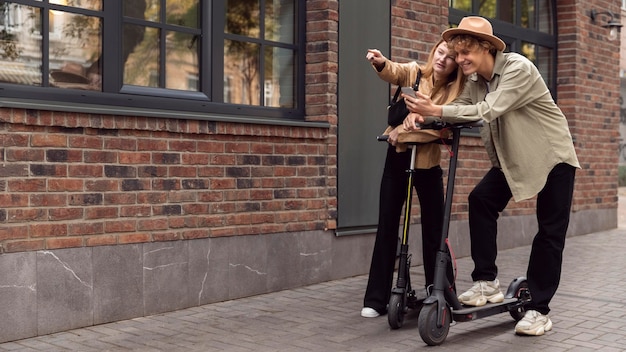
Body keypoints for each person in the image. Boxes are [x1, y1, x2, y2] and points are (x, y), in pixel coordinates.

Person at [403, 16, 580, 336]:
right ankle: (486, 282)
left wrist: (438, 112)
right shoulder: (475, 81)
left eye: (466, 52)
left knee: (549, 234)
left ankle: (539, 310)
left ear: (487, 48)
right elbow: (458, 108)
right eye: (457, 54)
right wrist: (423, 118)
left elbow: (487, 110)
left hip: (553, 157)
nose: (460, 60)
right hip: (512, 159)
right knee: (481, 199)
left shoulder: (517, 69)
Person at [361, 39, 465, 318]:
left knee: (434, 231)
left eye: (451, 56)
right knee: (387, 225)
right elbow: (394, 71)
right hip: (397, 159)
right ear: (434, 53)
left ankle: (439, 291)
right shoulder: (417, 73)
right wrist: (381, 62)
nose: (443, 59)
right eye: (441, 52)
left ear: (457, 64)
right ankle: (375, 298)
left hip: (428, 163)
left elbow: (445, 131)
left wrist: (403, 132)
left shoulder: (456, 92)